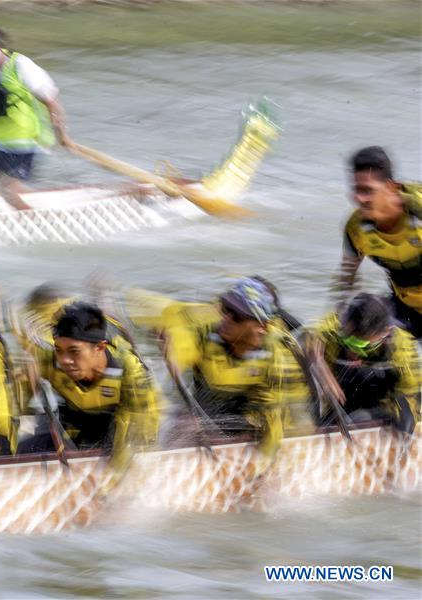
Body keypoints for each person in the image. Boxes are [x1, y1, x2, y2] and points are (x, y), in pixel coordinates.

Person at [163, 277, 306, 466]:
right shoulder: (207, 331)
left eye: (237, 316)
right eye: (225, 309)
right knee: (183, 424)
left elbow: (274, 421)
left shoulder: (276, 355)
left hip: (252, 421)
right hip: (204, 413)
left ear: (260, 327)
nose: (226, 319)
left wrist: (261, 463)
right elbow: (182, 339)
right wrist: (174, 355)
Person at [32, 303, 159, 475]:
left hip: (117, 432)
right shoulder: (49, 360)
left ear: (99, 348)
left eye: (74, 351)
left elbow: (139, 437)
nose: (64, 360)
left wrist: (112, 479)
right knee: (26, 447)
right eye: (59, 350)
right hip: (74, 427)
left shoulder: (131, 371)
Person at [0, 20, 71, 210]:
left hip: (25, 142)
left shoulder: (19, 65)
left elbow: (51, 101)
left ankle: (37, 219)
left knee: (7, 191)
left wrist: (62, 136)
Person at [336, 146, 421, 338]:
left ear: (392, 188)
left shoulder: (418, 211)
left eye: (368, 190)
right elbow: (346, 281)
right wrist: (338, 321)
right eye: (356, 190)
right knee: (355, 332)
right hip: (406, 309)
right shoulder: (356, 229)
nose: (359, 198)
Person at [305, 293, 419, 432]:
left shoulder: (401, 347)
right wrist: (318, 364)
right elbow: (305, 337)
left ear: (385, 333)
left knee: (361, 418)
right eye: (347, 341)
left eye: (360, 345)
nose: (352, 353)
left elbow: (411, 391)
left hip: (380, 402)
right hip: (341, 398)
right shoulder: (335, 325)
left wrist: (407, 414)